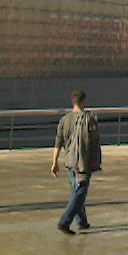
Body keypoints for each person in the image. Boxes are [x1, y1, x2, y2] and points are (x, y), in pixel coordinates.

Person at [50, 89, 101, 235]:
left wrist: (54, 162)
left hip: (69, 161)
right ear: (83, 101)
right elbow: (93, 141)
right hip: (82, 161)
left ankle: (82, 222)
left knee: (75, 190)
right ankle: (64, 221)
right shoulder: (88, 119)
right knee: (81, 191)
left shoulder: (64, 120)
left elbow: (58, 142)